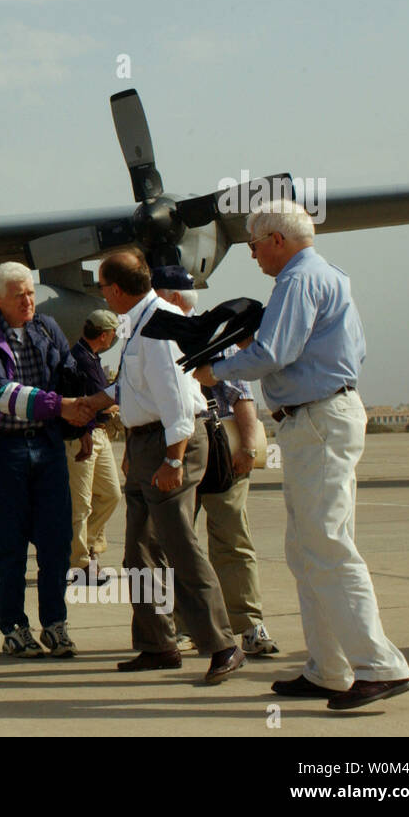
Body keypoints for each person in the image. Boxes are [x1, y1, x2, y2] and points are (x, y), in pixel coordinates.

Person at [196, 200, 409, 710]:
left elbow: (273, 354)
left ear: (277, 240)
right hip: (320, 415)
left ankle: (378, 665)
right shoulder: (328, 276)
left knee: (326, 545)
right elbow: (347, 351)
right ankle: (328, 668)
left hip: (316, 418)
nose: (252, 256)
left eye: (253, 245)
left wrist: (217, 371)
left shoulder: (297, 281)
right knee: (308, 546)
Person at [77, 251, 244, 684]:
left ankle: (223, 644)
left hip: (172, 445)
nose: (103, 295)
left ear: (114, 289)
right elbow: (138, 386)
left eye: (102, 287)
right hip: (146, 443)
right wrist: (103, 401)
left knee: (180, 548)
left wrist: (173, 458)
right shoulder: (140, 322)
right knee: (140, 551)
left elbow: (174, 398)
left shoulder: (159, 325)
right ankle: (158, 645)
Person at [0, 262, 92, 658]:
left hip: (47, 449)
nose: (28, 300)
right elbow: (2, 395)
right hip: (2, 454)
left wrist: (84, 422)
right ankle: (15, 628)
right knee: (10, 546)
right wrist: (61, 406)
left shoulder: (47, 329)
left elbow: (68, 375)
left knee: (56, 542)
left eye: (31, 292)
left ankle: (55, 624)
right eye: (19, 294)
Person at [154, 274, 278, 656]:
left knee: (232, 540)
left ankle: (249, 625)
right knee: (175, 544)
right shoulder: (154, 339)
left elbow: (241, 395)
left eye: (156, 294)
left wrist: (248, 445)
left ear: (174, 298)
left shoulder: (212, 336)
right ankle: (181, 626)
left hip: (220, 449)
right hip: (174, 450)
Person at [64, 309, 120, 587]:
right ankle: (81, 563)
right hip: (82, 435)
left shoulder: (92, 358)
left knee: (111, 494)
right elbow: (86, 401)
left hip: (100, 434)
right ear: (105, 335)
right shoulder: (79, 360)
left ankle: (86, 546)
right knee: (81, 503)